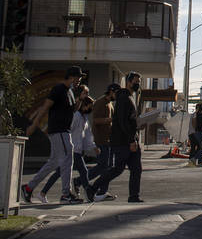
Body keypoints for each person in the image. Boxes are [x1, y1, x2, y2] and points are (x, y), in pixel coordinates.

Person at [22, 66, 86, 204]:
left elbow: (72, 109)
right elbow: (45, 106)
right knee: (68, 157)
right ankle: (65, 194)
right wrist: (34, 125)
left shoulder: (69, 91)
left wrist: (80, 100)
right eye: (79, 78)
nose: (79, 81)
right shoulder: (58, 89)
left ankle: (28, 188)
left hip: (63, 130)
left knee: (54, 162)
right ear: (72, 76)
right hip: (59, 130)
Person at [92, 72, 143, 202]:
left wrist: (138, 126)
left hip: (131, 139)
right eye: (136, 81)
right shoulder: (123, 97)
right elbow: (122, 121)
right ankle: (93, 188)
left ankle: (134, 196)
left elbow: (129, 120)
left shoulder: (131, 97)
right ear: (128, 82)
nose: (138, 84)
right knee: (117, 169)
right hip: (123, 141)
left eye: (139, 82)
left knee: (136, 169)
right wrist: (131, 140)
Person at [43, 95, 96, 201]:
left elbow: (87, 135)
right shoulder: (76, 116)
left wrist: (92, 146)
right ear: (84, 105)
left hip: (77, 149)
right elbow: (68, 130)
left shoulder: (84, 118)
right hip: (72, 148)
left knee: (60, 172)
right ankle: (87, 192)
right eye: (89, 106)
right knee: (83, 171)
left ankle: (43, 192)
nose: (90, 109)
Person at [88, 83, 119, 180]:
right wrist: (110, 120)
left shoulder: (110, 103)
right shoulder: (100, 102)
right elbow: (96, 120)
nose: (117, 96)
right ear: (111, 91)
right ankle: (80, 180)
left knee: (108, 167)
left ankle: (102, 191)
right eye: (116, 94)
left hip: (108, 140)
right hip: (100, 140)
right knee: (103, 165)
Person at [189, 102, 202, 167]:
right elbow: (200, 126)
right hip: (200, 132)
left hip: (199, 132)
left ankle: (199, 162)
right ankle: (195, 158)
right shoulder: (200, 115)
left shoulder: (200, 114)